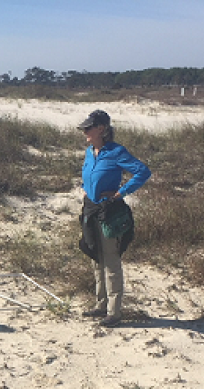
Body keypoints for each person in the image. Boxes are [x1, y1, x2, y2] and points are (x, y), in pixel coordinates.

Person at [77, 109, 151, 328]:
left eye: (88, 128)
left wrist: (121, 192)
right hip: (90, 209)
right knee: (95, 256)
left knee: (110, 260)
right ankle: (100, 305)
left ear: (101, 129)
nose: (85, 132)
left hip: (108, 212)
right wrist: (84, 189)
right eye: (84, 128)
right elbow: (88, 176)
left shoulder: (116, 152)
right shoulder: (90, 152)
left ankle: (114, 312)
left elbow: (142, 171)